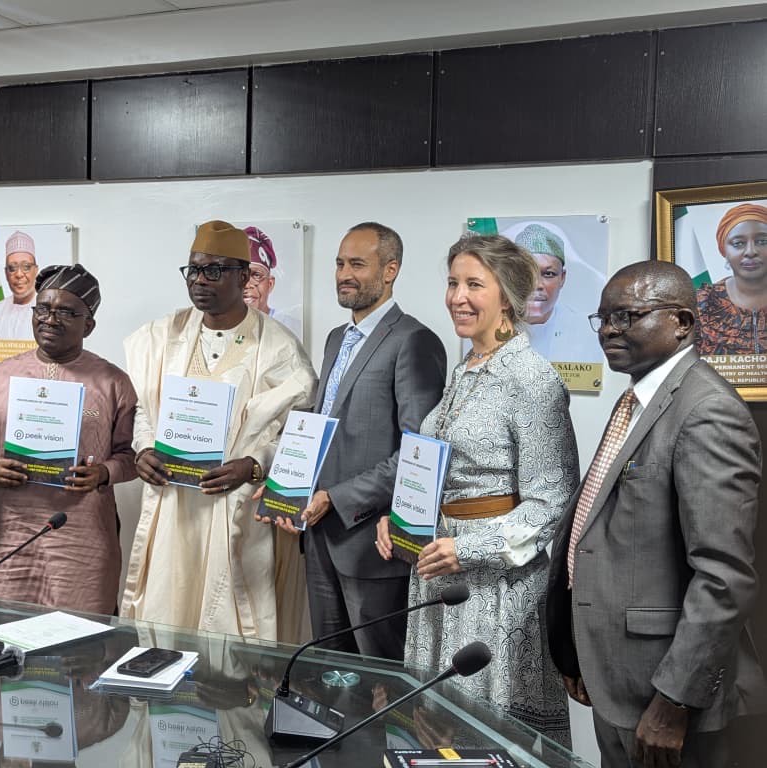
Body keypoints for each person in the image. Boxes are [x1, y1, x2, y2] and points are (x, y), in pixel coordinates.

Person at [547, 260, 767, 768]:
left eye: (626, 316)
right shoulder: (639, 399)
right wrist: (580, 652)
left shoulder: (706, 411)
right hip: (616, 676)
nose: (608, 330)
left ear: (682, 323)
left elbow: (723, 576)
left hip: (664, 693)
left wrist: (675, 700)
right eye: (603, 318)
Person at [375, 234, 579, 743]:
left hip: (496, 589)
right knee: (435, 732)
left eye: (473, 285)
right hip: (440, 572)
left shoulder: (532, 379)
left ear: (507, 296)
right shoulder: (465, 369)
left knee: (483, 737)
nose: (457, 297)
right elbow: (443, 473)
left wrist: (468, 549)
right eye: (452, 283)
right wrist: (399, 519)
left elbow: (552, 500)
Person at [122, 220, 317, 642]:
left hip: (236, 507)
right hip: (172, 505)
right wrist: (143, 450)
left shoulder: (279, 347)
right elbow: (144, 409)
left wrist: (254, 465)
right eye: (193, 269)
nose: (200, 280)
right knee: (168, 615)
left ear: (244, 277)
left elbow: (298, 435)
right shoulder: (162, 336)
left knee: (231, 634)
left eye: (214, 270)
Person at [269, 222, 446, 661]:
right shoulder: (336, 339)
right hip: (319, 538)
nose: (344, 274)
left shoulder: (414, 340)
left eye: (358, 264)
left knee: (382, 677)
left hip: (372, 545)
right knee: (331, 672)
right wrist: (284, 487)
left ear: (390, 270)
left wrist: (338, 497)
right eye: (339, 263)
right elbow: (324, 427)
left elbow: (418, 453)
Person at [0, 264, 136, 614]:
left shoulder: (113, 382)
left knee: (79, 638)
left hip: (82, 534)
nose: (50, 319)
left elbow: (131, 454)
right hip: (11, 532)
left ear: (88, 325)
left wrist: (103, 473)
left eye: (66, 312)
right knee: (6, 633)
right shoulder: (0, 377)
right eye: (43, 309)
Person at [516, 222, 602, 363]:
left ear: (562, 278)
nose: (536, 285)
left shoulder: (587, 332)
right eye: (526, 273)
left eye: (548, 274)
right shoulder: (488, 326)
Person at [696, 203, 767, 355]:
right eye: (738, 243)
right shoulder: (703, 303)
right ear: (724, 250)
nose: (751, 252)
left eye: (762, 241)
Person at [242, 225, 301, 338]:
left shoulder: (289, 327)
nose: (248, 285)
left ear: (270, 284)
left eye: (257, 275)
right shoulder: (221, 326)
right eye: (241, 276)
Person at [0, 229, 39, 340]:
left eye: (26, 267)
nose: (19, 274)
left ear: (36, 270)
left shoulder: (49, 315)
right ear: (6, 273)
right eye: (12, 268)